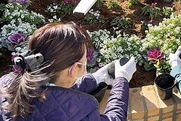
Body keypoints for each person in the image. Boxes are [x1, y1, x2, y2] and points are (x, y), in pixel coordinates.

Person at [0, 23, 137, 120]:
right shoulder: (82, 114)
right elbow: (114, 118)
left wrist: (96, 79)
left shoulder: (6, 84)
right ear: (73, 69)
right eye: (83, 64)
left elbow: (55, 95)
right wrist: (122, 79)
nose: (85, 67)